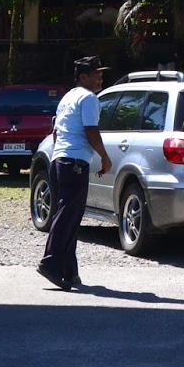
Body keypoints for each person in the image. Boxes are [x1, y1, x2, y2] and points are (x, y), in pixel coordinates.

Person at [37, 55, 112, 290]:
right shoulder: (88, 98)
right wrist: (105, 156)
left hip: (60, 160)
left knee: (69, 216)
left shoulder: (68, 97)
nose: (100, 77)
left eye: (101, 72)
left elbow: (57, 132)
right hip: (75, 162)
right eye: (95, 73)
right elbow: (91, 130)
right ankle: (50, 263)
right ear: (83, 77)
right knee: (68, 216)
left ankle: (69, 271)